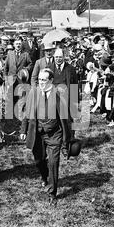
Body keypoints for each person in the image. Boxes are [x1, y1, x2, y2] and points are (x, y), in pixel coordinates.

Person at [20, 68, 71, 205]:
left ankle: (52, 193)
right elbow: (27, 112)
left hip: (54, 134)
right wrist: (23, 130)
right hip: (37, 133)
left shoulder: (59, 96)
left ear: (51, 80)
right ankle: (45, 177)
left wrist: (67, 142)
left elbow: (65, 121)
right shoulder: (33, 93)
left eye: (44, 80)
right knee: (39, 161)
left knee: (53, 162)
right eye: (39, 80)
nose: (41, 83)